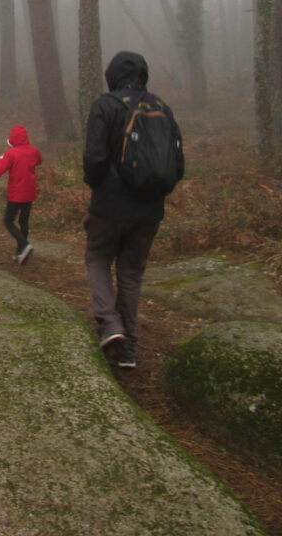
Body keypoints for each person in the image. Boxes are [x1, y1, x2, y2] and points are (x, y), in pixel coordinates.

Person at [83, 51, 184, 369]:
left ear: (112, 74)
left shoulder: (106, 105)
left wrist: (96, 185)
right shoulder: (162, 108)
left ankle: (109, 324)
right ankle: (128, 350)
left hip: (110, 205)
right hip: (149, 210)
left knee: (97, 258)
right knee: (130, 273)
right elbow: (177, 165)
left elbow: (95, 160)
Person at [0, 124, 42, 264]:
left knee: (8, 221)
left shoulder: (11, 154)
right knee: (23, 221)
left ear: (12, 139)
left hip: (16, 193)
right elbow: (39, 161)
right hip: (29, 193)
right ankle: (20, 252)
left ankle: (24, 244)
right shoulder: (33, 151)